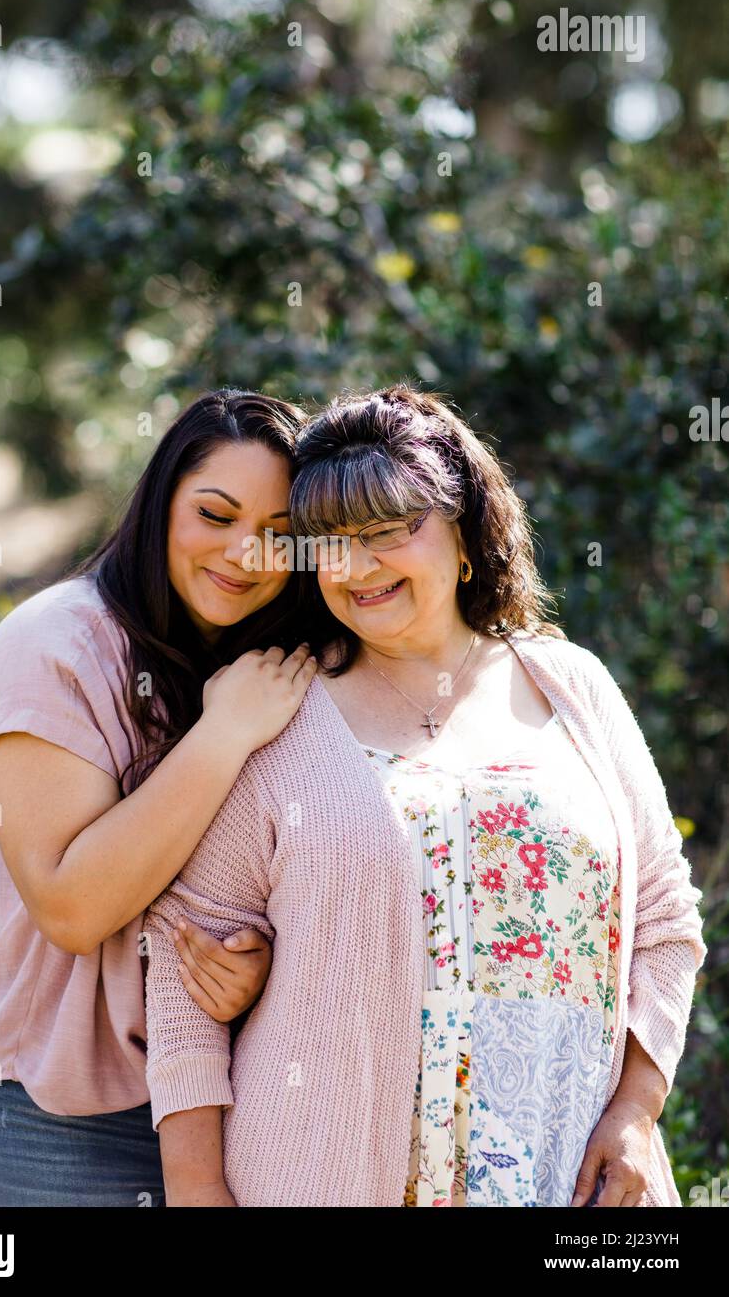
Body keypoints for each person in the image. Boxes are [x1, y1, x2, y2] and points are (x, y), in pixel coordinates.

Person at [144, 383, 707, 1207]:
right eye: (329, 541)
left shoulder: (571, 687)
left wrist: (635, 1109)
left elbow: (665, 921)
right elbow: (183, 976)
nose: (357, 566)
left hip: (566, 1178)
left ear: (466, 532)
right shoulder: (277, 710)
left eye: (389, 531)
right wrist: (198, 1196)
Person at [0, 387, 319, 1206]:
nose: (247, 553)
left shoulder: (261, 663)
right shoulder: (52, 648)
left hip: (212, 1104)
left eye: (280, 535)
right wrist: (222, 733)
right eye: (216, 514)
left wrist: (256, 967)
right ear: (159, 503)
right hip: (45, 1119)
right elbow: (73, 907)